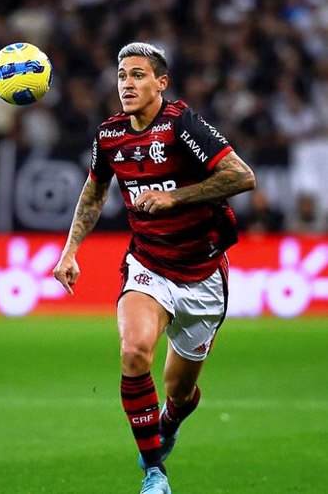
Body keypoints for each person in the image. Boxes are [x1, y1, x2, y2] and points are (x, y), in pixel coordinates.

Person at [52, 42, 256, 494]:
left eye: (139, 75)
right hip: (148, 265)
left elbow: (242, 177)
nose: (127, 83)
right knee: (134, 352)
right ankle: (154, 472)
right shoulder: (109, 136)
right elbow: (93, 191)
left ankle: (170, 419)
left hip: (202, 276)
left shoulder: (182, 124)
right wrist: (70, 251)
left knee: (180, 394)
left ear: (161, 83)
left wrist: (175, 196)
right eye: (122, 75)